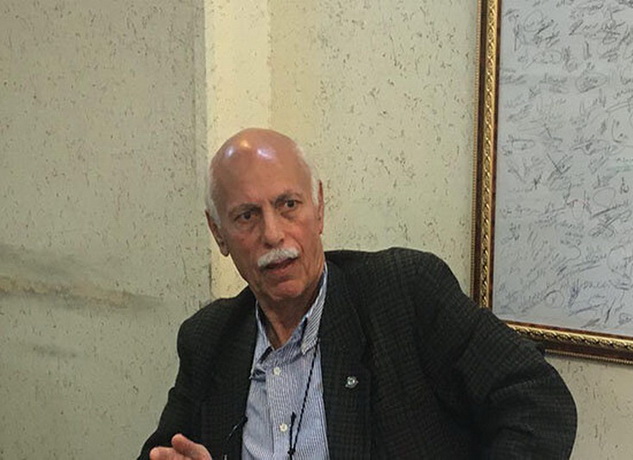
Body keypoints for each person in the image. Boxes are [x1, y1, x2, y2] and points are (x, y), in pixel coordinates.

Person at [139, 128, 577, 460]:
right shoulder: (210, 339)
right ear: (218, 233)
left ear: (319, 207)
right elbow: (162, 452)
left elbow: (539, 401)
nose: (273, 234)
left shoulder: (403, 294)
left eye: (288, 205)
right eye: (247, 216)